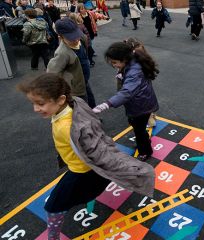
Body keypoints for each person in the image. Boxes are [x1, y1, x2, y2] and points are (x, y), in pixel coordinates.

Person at [17, 73, 155, 240]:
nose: (36, 109)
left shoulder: (68, 128)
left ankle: (53, 236)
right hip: (82, 166)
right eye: (33, 103)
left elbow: (96, 152)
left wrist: (123, 166)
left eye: (40, 104)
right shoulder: (72, 103)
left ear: (61, 99)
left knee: (53, 205)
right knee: (91, 188)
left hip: (81, 170)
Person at [92, 41, 159, 162]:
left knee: (139, 130)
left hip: (141, 106)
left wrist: (107, 104)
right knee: (137, 126)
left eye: (115, 62)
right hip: (140, 103)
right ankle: (143, 141)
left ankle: (146, 151)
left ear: (124, 59)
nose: (114, 65)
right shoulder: (132, 62)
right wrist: (122, 75)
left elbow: (127, 92)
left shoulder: (134, 71)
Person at [47, 18, 87, 102]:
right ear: (61, 37)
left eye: (77, 35)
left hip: (83, 81)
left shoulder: (82, 40)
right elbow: (53, 73)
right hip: (74, 89)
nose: (76, 40)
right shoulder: (62, 53)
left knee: (90, 101)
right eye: (71, 38)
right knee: (81, 107)